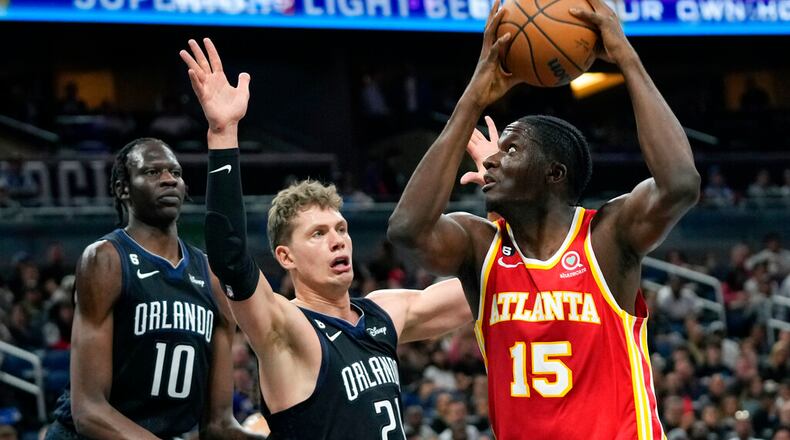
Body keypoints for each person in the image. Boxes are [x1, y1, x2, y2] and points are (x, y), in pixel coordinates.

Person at [387, 0, 701, 439]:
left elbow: (681, 185)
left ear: (555, 173)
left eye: (511, 150)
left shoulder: (606, 237)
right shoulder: (480, 247)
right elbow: (407, 229)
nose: (494, 161)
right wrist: (473, 98)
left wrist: (627, 58)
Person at [181, 38, 474, 439]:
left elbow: (489, 283)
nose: (338, 241)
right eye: (318, 234)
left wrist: (502, 202)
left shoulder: (381, 314)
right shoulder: (287, 328)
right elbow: (229, 256)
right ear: (286, 256)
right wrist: (222, 132)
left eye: (341, 229)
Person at [47, 138, 262, 439]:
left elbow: (219, 425)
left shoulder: (211, 276)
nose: (168, 179)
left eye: (175, 172)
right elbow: (89, 412)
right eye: (152, 172)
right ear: (123, 189)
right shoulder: (106, 259)